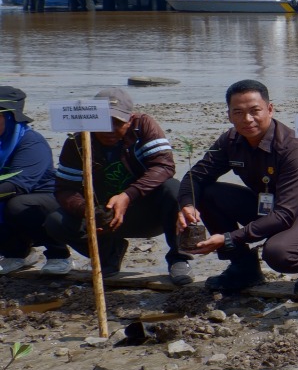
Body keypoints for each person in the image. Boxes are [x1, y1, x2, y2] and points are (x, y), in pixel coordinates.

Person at [177, 79, 298, 296]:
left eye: (254, 111)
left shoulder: (295, 149)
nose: (247, 119)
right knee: (206, 194)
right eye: (238, 112)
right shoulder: (230, 141)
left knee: (278, 253)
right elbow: (194, 177)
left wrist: (230, 238)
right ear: (229, 115)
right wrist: (187, 206)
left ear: (270, 109)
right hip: (268, 207)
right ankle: (244, 267)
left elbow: (285, 215)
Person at [43, 87, 194, 283]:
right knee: (56, 222)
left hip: (145, 210)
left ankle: (178, 258)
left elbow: (164, 166)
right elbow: (65, 189)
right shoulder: (78, 141)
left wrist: (127, 195)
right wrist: (87, 210)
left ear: (130, 120)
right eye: (103, 123)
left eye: (117, 123)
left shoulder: (143, 126)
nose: (109, 130)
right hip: (104, 216)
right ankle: (109, 253)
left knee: (172, 188)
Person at [0, 86, 73, 275]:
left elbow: (19, 184)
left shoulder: (32, 143)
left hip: (44, 199)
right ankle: (16, 254)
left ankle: (59, 255)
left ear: (9, 116)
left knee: (17, 205)